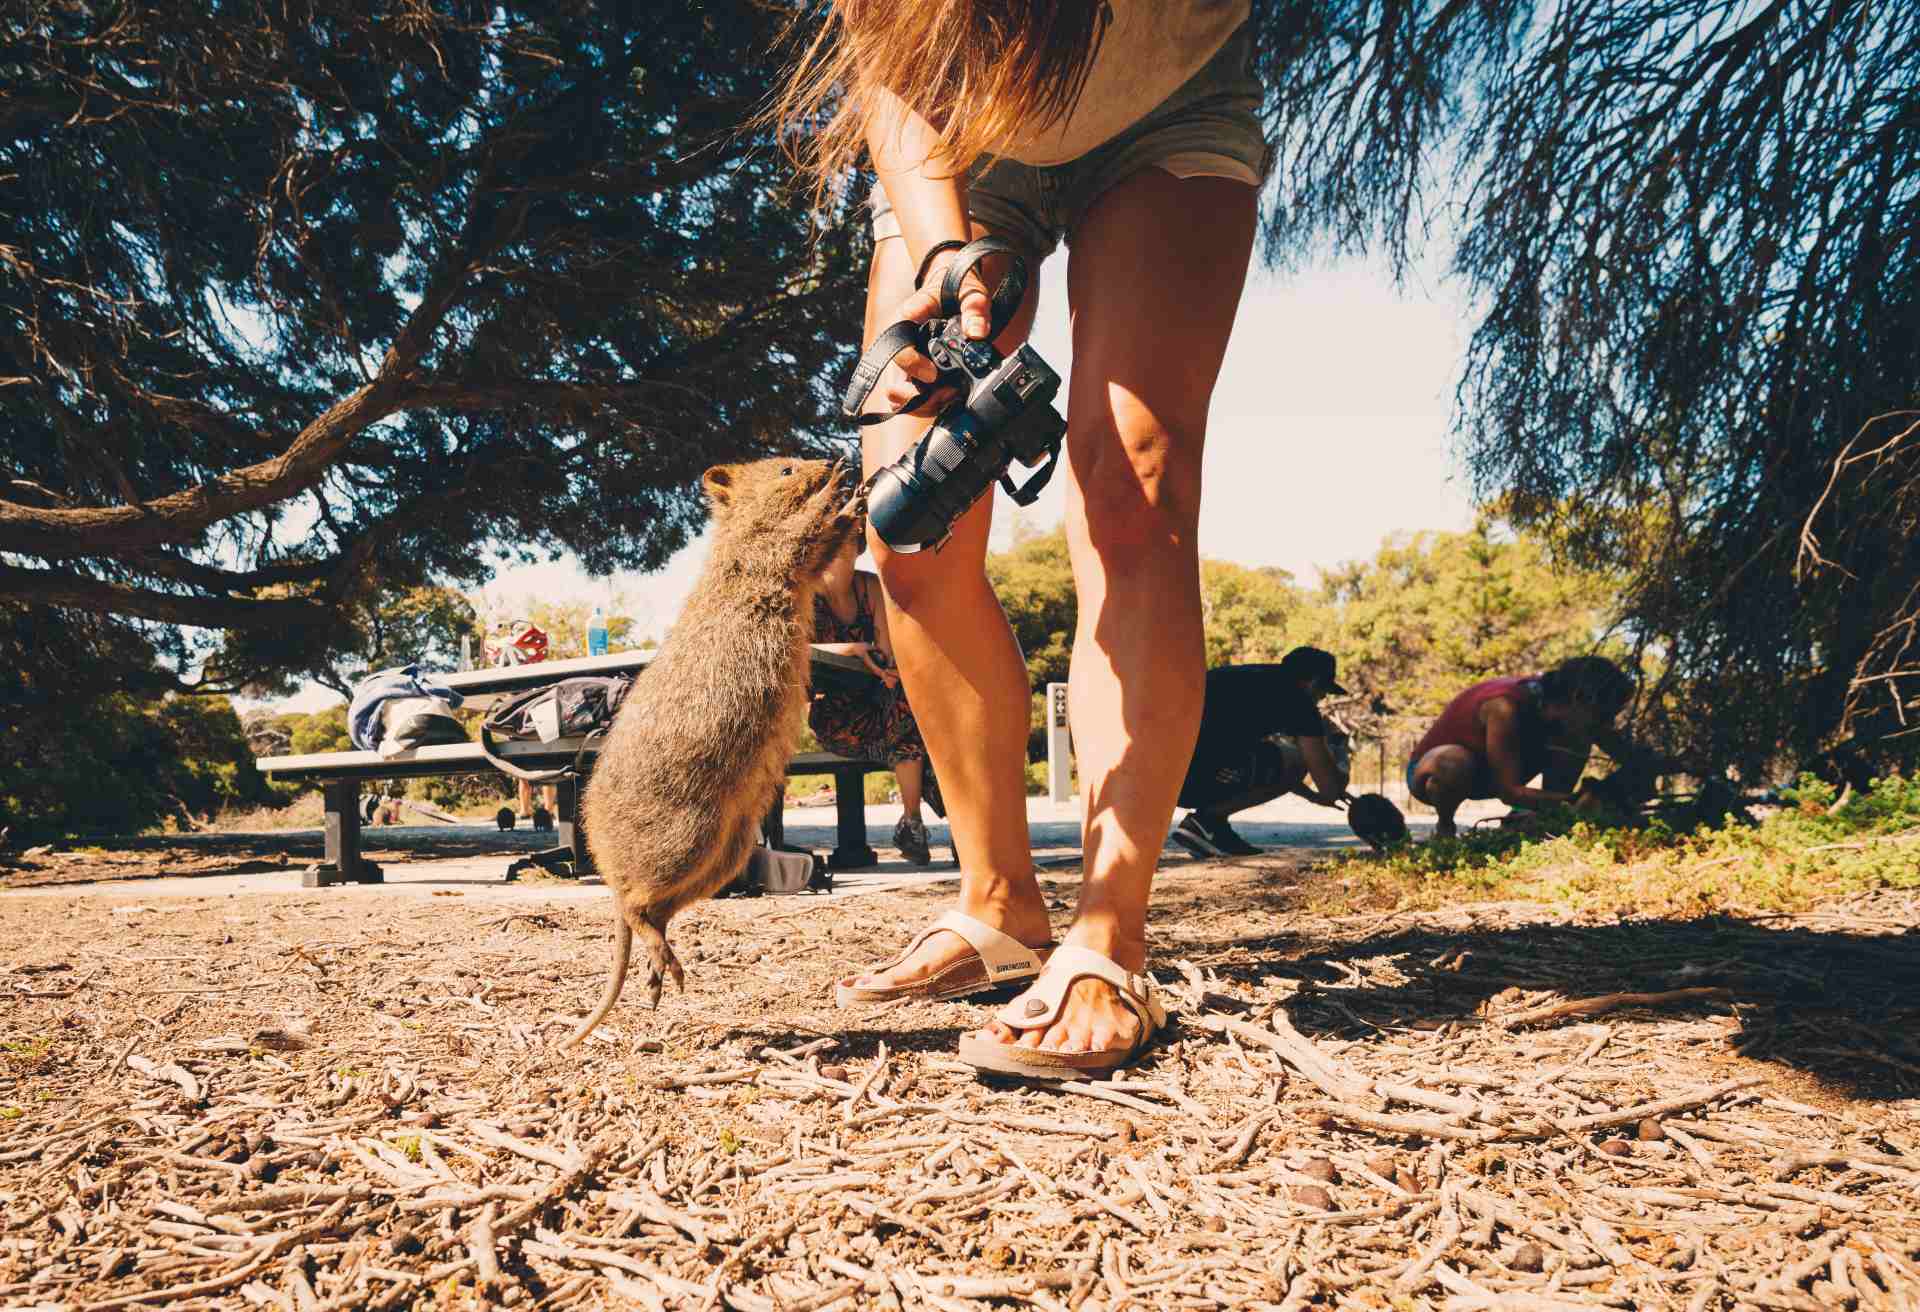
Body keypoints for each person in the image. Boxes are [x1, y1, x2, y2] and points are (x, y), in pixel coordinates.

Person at [777, 1, 1268, 1076]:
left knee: (1132, 481)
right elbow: (895, 75)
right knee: (909, 518)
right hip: (967, 132)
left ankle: (1108, 937)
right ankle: (999, 904)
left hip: (1165, 113)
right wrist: (951, 262)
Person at [1408, 656, 1666, 838]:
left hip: (1499, 773)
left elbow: (1626, 754)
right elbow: (1507, 791)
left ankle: (1541, 820)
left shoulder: (1567, 709)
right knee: (1452, 763)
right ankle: (1445, 827)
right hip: (1438, 775)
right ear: (1579, 699)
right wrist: (1576, 802)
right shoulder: (1504, 707)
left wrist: (1679, 764)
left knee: (1578, 733)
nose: (1608, 722)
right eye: (1603, 714)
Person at [808, 536, 941, 865]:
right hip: (836, 717)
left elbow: (886, 650)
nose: (841, 546)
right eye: (832, 539)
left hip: (880, 708)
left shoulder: (870, 587)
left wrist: (888, 668)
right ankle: (926, 823)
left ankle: (914, 823)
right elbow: (791, 651)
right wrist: (850, 649)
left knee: (909, 707)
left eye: (849, 539)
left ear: (858, 546)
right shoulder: (804, 595)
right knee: (915, 732)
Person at [1170, 647, 1354, 858]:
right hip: (1191, 779)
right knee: (1295, 757)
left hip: (1158, 773)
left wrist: (1312, 797)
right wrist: (1341, 759)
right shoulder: (1299, 703)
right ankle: (1206, 823)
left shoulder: (1251, 679)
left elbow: (1280, 774)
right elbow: (1328, 786)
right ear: (1313, 682)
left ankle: (1212, 828)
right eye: (1323, 692)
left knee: (1273, 755)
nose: (1321, 699)